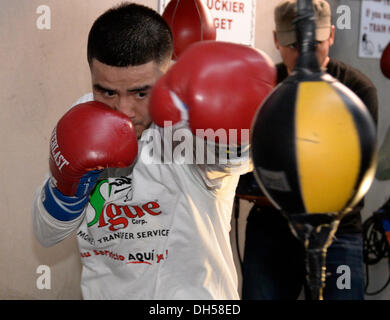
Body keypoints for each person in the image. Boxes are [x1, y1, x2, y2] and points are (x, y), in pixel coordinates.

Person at [32, 2, 275, 299]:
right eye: (107, 91)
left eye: (140, 92)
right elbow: (46, 234)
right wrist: (68, 189)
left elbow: (233, 157)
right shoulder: (83, 119)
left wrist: (235, 121)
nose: (124, 110)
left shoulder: (187, 123)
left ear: (166, 72)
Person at [238, 0, 378, 300]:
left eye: (313, 43)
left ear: (331, 36)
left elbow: (355, 171)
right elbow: (243, 163)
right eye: (293, 44)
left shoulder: (356, 89)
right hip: (270, 231)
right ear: (277, 40)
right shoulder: (262, 86)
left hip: (338, 230)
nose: (303, 52)